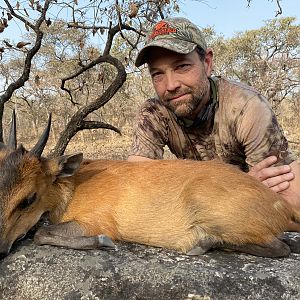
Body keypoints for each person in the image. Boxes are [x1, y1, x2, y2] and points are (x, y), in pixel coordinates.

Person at [128, 17, 300, 214]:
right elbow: (136, 190)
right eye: (157, 74)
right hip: (241, 201)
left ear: (207, 63)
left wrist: (185, 197)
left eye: (182, 66)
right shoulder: (153, 113)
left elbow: (294, 204)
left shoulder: (246, 107)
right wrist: (241, 189)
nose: (171, 85)